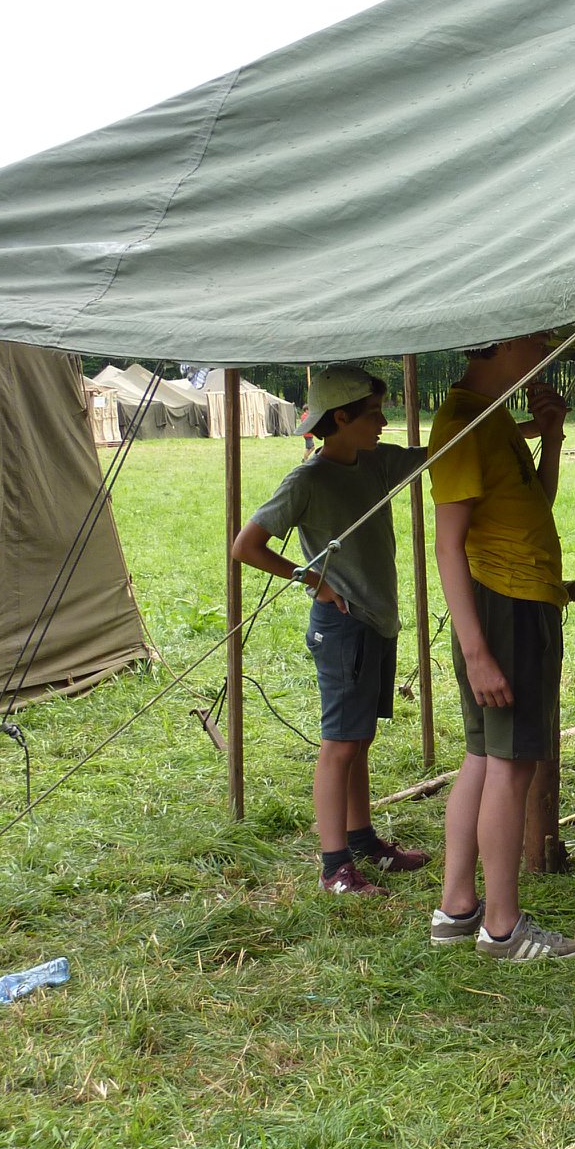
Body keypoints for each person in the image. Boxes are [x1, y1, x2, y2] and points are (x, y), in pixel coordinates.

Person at [231, 366, 432, 896]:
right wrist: (314, 580)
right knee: (339, 744)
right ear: (340, 418)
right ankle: (333, 865)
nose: (384, 423)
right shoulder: (307, 481)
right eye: (373, 414)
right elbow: (245, 547)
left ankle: (363, 840)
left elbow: (444, 448)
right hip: (343, 627)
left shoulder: (375, 462)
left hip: (375, 622)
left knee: (359, 738)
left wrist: (523, 428)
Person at [427, 334, 575, 960]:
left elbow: (533, 505)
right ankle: (502, 926)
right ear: (499, 346)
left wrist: (549, 439)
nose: (547, 347)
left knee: (484, 758)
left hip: (515, 600)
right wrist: (476, 650)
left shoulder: (493, 422)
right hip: (506, 605)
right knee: (512, 765)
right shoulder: (464, 422)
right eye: (535, 339)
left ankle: (458, 907)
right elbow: (447, 543)